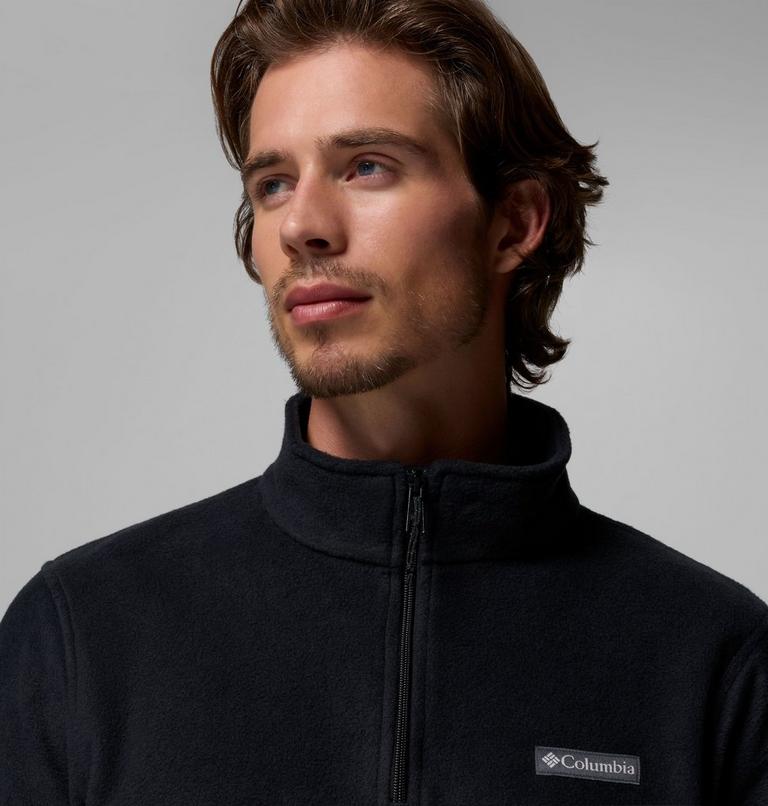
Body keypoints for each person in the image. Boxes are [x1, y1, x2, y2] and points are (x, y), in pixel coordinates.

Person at [1, 0, 766, 803]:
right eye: (273, 184)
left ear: (514, 223)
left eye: (366, 166)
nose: (302, 226)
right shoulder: (83, 637)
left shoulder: (713, 663)